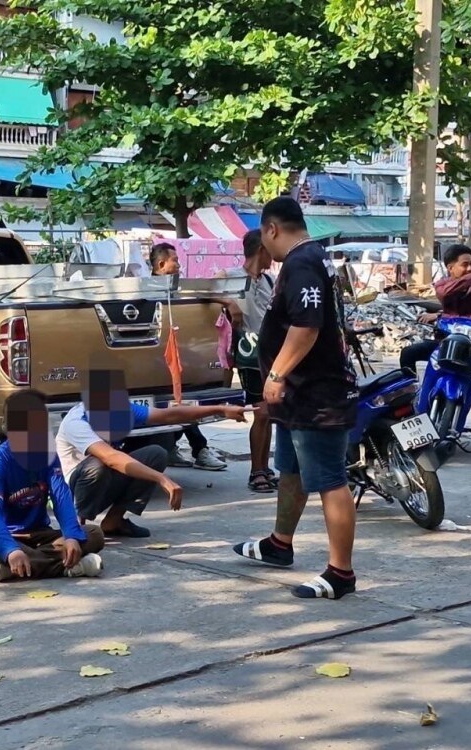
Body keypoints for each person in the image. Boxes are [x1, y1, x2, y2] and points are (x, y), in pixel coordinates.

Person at [231, 197, 361, 600]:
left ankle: (341, 572)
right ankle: (279, 542)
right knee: (290, 469)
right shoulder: (312, 259)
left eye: (263, 239)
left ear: (271, 229)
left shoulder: (303, 263)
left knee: (329, 479)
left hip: (315, 393)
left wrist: (275, 373)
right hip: (296, 395)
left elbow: (306, 327)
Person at [58, 368, 250, 538]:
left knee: (155, 454)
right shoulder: (76, 422)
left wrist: (221, 409)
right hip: (71, 491)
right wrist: (162, 479)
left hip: (105, 482)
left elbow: (169, 415)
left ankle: (114, 521)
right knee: (97, 464)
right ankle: (75, 528)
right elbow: (111, 458)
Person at [0, 391, 105, 582]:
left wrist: (70, 535)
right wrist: (10, 550)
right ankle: (68, 567)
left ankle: (17, 569)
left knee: (94, 534)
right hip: (8, 535)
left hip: (41, 534)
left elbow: (61, 497)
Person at [149, 242, 228, 472]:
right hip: (156, 361)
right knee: (181, 402)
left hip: (174, 359)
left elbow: (202, 293)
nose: (180, 265)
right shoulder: (148, 289)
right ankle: (200, 449)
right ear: (162, 264)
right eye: (176, 260)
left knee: (182, 399)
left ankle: (177, 447)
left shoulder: (177, 289)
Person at [216, 229, 277, 492]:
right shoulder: (229, 277)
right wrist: (229, 303)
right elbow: (203, 291)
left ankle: (264, 467)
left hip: (272, 353)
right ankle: (256, 471)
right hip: (250, 355)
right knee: (261, 412)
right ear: (261, 249)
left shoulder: (269, 281)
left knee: (268, 414)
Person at [399, 243, 471, 374]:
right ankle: (410, 389)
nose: (470, 268)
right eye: (465, 265)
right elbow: (444, 293)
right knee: (408, 353)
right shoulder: (442, 284)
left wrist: (440, 316)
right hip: (445, 344)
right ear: (450, 268)